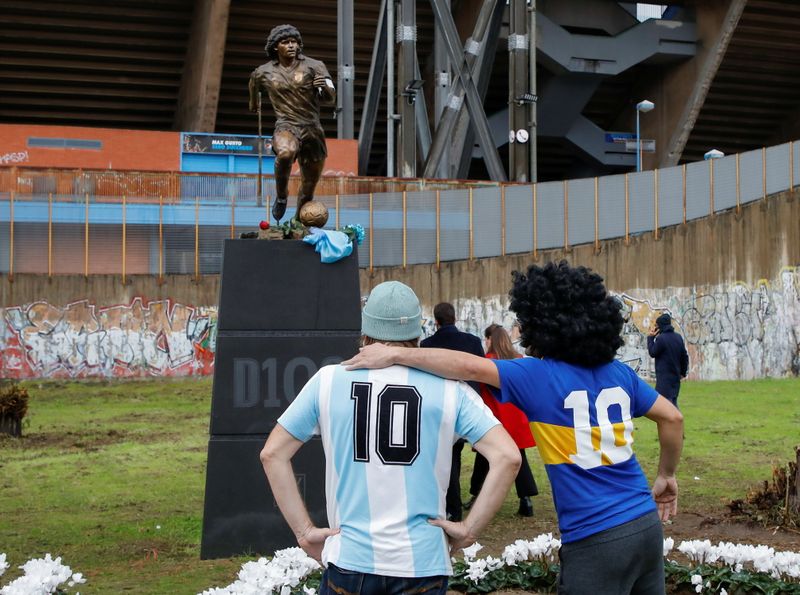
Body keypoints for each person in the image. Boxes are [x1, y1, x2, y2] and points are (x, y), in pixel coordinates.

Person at [344, 261, 684, 594]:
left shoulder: (537, 375)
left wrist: (395, 355)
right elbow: (672, 418)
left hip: (594, 539)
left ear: (543, 323)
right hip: (645, 526)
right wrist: (666, 475)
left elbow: (466, 366)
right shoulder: (620, 373)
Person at [260, 281, 520, 594]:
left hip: (351, 558)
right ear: (418, 330)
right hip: (422, 562)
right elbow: (508, 457)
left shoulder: (328, 381)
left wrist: (304, 532)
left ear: (365, 329)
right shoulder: (452, 390)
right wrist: (468, 530)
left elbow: (272, 453)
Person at [249, 24, 335, 223]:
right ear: (275, 47)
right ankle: (281, 196)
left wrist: (325, 89)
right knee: (286, 152)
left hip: (312, 129)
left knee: (309, 185)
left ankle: (298, 222)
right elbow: (253, 97)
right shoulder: (262, 73)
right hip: (287, 125)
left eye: (294, 42)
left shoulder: (316, 66)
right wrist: (255, 104)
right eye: (285, 42)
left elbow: (331, 98)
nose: (291, 46)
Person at [465, 324, 538, 518]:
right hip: (516, 417)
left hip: (495, 418)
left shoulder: (487, 362)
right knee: (519, 458)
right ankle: (526, 500)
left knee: (484, 457)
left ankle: (476, 495)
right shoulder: (519, 360)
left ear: (490, 340)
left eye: (486, 338)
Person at [421, 302, 485, 522]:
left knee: (449, 458)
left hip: (439, 407)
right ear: (454, 318)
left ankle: (452, 509)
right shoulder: (473, 342)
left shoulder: (427, 345)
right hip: (470, 407)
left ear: (436, 321)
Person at [648, 313, 690, 408]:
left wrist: (650, 338)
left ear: (660, 326)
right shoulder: (678, 337)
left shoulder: (661, 339)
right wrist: (683, 372)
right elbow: (684, 356)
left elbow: (652, 352)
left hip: (664, 380)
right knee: (672, 401)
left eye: (656, 326)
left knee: (666, 407)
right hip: (675, 378)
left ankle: (675, 421)